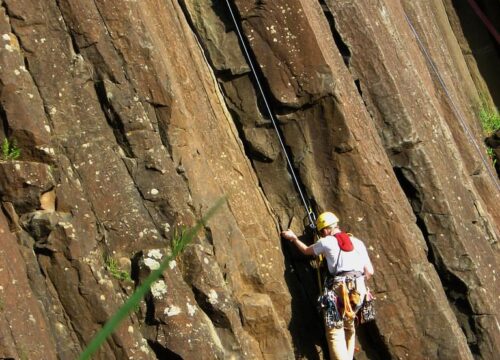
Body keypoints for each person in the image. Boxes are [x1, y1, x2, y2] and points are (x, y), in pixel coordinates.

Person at [281, 211, 374, 360]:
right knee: (349, 326)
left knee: (334, 332)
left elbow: (306, 251)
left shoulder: (326, 241)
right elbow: (370, 271)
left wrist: (293, 238)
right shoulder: (358, 242)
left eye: (322, 233)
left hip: (340, 289)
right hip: (359, 290)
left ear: (325, 230)